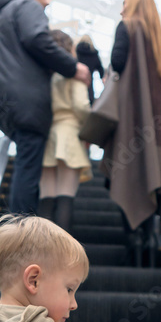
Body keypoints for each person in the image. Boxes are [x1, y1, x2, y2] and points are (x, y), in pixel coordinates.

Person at [0, 0, 91, 216]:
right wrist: (73, 67)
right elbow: (36, 38)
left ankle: (18, 227)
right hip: (27, 103)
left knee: (26, 162)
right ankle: (20, 233)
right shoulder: (27, 5)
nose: (46, 1)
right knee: (28, 171)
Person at [103, 0, 161, 265]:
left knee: (127, 179)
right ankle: (148, 248)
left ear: (134, 5)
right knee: (151, 184)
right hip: (159, 134)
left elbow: (117, 62)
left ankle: (133, 247)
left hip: (131, 126)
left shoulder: (127, 28)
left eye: (124, 4)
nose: (121, 10)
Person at [39, 30, 92, 233]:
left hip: (47, 136)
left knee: (47, 195)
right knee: (65, 195)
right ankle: (60, 256)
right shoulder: (74, 72)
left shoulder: (43, 72)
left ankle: (43, 251)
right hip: (69, 134)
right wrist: (89, 127)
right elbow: (81, 106)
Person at [75, 34, 104, 104]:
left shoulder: (76, 51)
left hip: (77, 83)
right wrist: (102, 78)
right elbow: (101, 70)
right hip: (89, 84)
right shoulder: (94, 54)